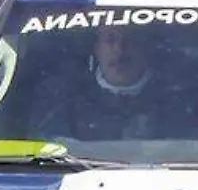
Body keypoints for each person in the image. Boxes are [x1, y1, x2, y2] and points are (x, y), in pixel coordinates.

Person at [24, 26, 167, 143]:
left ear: (146, 47)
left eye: (130, 40)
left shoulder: (176, 98)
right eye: (110, 40)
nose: (119, 50)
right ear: (97, 48)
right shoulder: (62, 98)